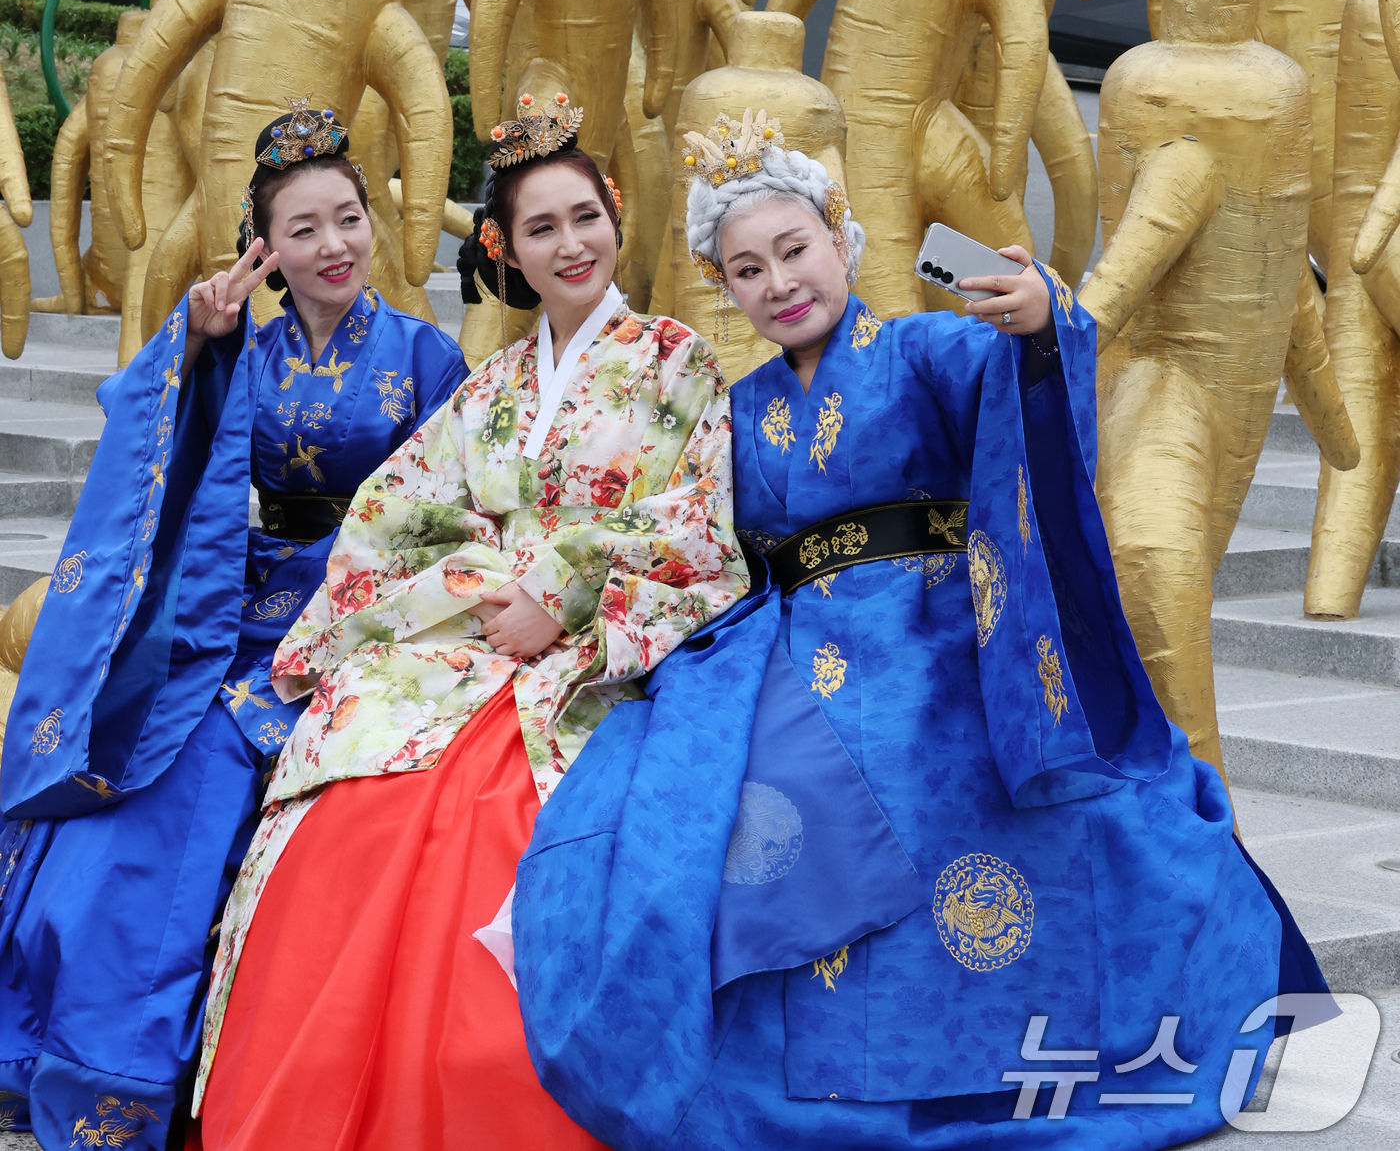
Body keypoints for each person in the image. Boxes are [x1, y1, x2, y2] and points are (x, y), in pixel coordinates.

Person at [513, 106, 1330, 1150]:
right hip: (792, 629)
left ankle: (975, 1054)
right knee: (693, 789)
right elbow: (696, 532)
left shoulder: (922, 348)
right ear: (723, 288)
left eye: (794, 248)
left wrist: (1039, 318)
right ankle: (780, 1063)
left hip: (939, 621)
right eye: (746, 268)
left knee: (928, 759)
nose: (779, 281)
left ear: (840, 234)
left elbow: (1022, 370)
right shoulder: (736, 404)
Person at [191, 91, 748, 1151]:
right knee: (346, 801)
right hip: (472, 633)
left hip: (593, 642)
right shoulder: (489, 385)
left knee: (492, 816)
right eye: (539, 227)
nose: (569, 243)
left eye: (583, 216)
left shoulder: (677, 360)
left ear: (615, 215)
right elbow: (390, 516)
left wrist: (564, 579)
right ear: (503, 248)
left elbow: (698, 519)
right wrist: (484, 585)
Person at [0, 99, 467, 1151]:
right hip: (238, 603)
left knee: (207, 773)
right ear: (266, 248)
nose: (331, 245)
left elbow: (460, 504)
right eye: (301, 229)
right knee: (134, 773)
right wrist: (200, 346)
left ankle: (145, 1066)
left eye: (346, 217)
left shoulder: (426, 354)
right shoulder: (242, 349)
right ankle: (72, 1051)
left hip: (370, 608)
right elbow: (157, 451)